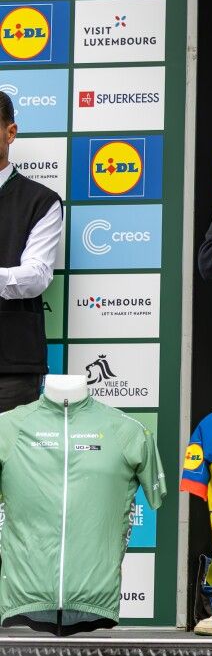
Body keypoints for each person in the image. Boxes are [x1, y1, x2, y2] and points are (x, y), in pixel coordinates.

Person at [0, 90, 63, 414]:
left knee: (10, 448)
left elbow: (36, 276)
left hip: (11, 365)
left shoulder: (42, 200)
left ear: (10, 132)